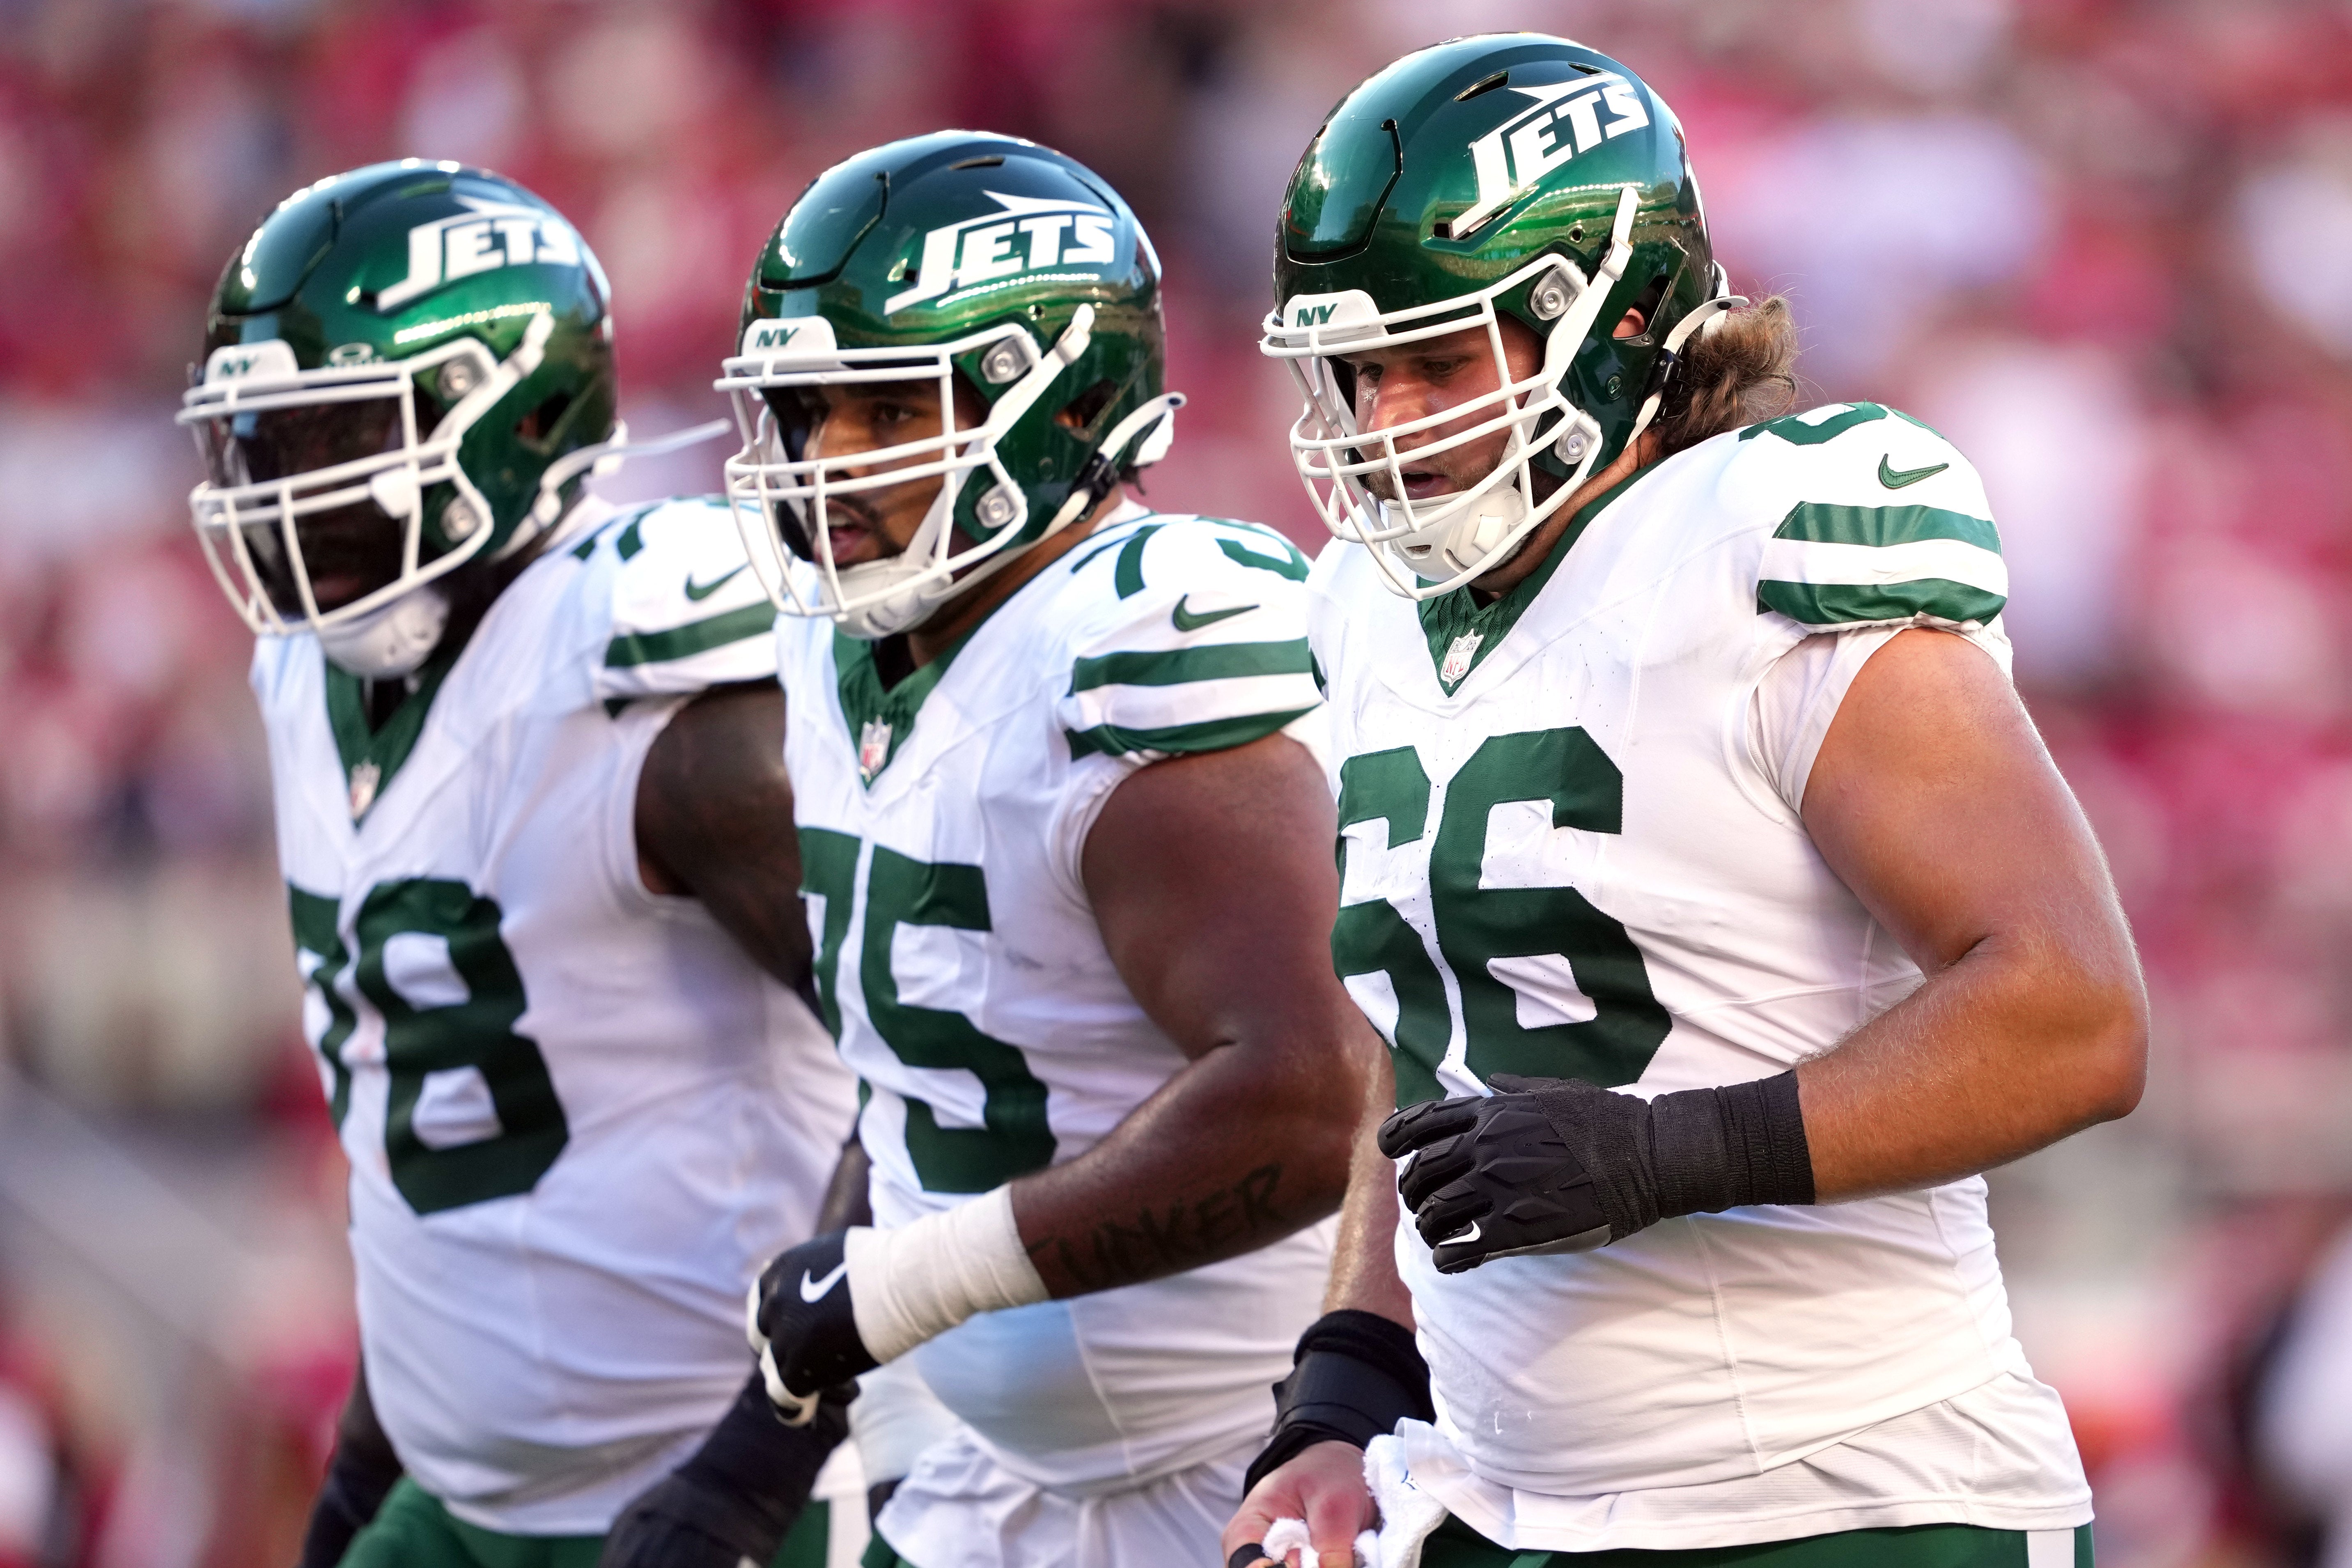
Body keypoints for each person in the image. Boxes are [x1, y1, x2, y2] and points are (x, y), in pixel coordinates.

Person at [1223, 34, 2148, 1568]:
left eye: (1437, 362)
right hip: (1499, 1493)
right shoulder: (1365, 609)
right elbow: (1432, 1042)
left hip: (1845, 1500)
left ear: (1621, 321)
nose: (1383, 422)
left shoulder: (1759, 544)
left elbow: (2072, 1014)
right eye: (1355, 373)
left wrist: (1672, 1152)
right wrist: (1342, 1391)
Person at [711, 131, 1386, 1568]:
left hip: (1248, 1463)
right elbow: (921, 1064)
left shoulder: (1138, 636)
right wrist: (762, 1438)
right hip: (985, 1473)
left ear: (1063, 402)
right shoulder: (835, 643)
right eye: (807, 410)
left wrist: (913, 1282)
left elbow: (1311, 1096)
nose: (826, 460)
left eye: (887, 408)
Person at [178, 160, 862, 1568]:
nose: (278, 488)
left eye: (333, 434)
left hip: (723, 1484)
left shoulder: (649, 684)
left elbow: (931, 1069)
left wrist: (767, 1447)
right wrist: (368, 1464)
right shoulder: (305, 677)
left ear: (514, 414)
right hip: (454, 1492)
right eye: (258, 440)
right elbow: (433, 1146)